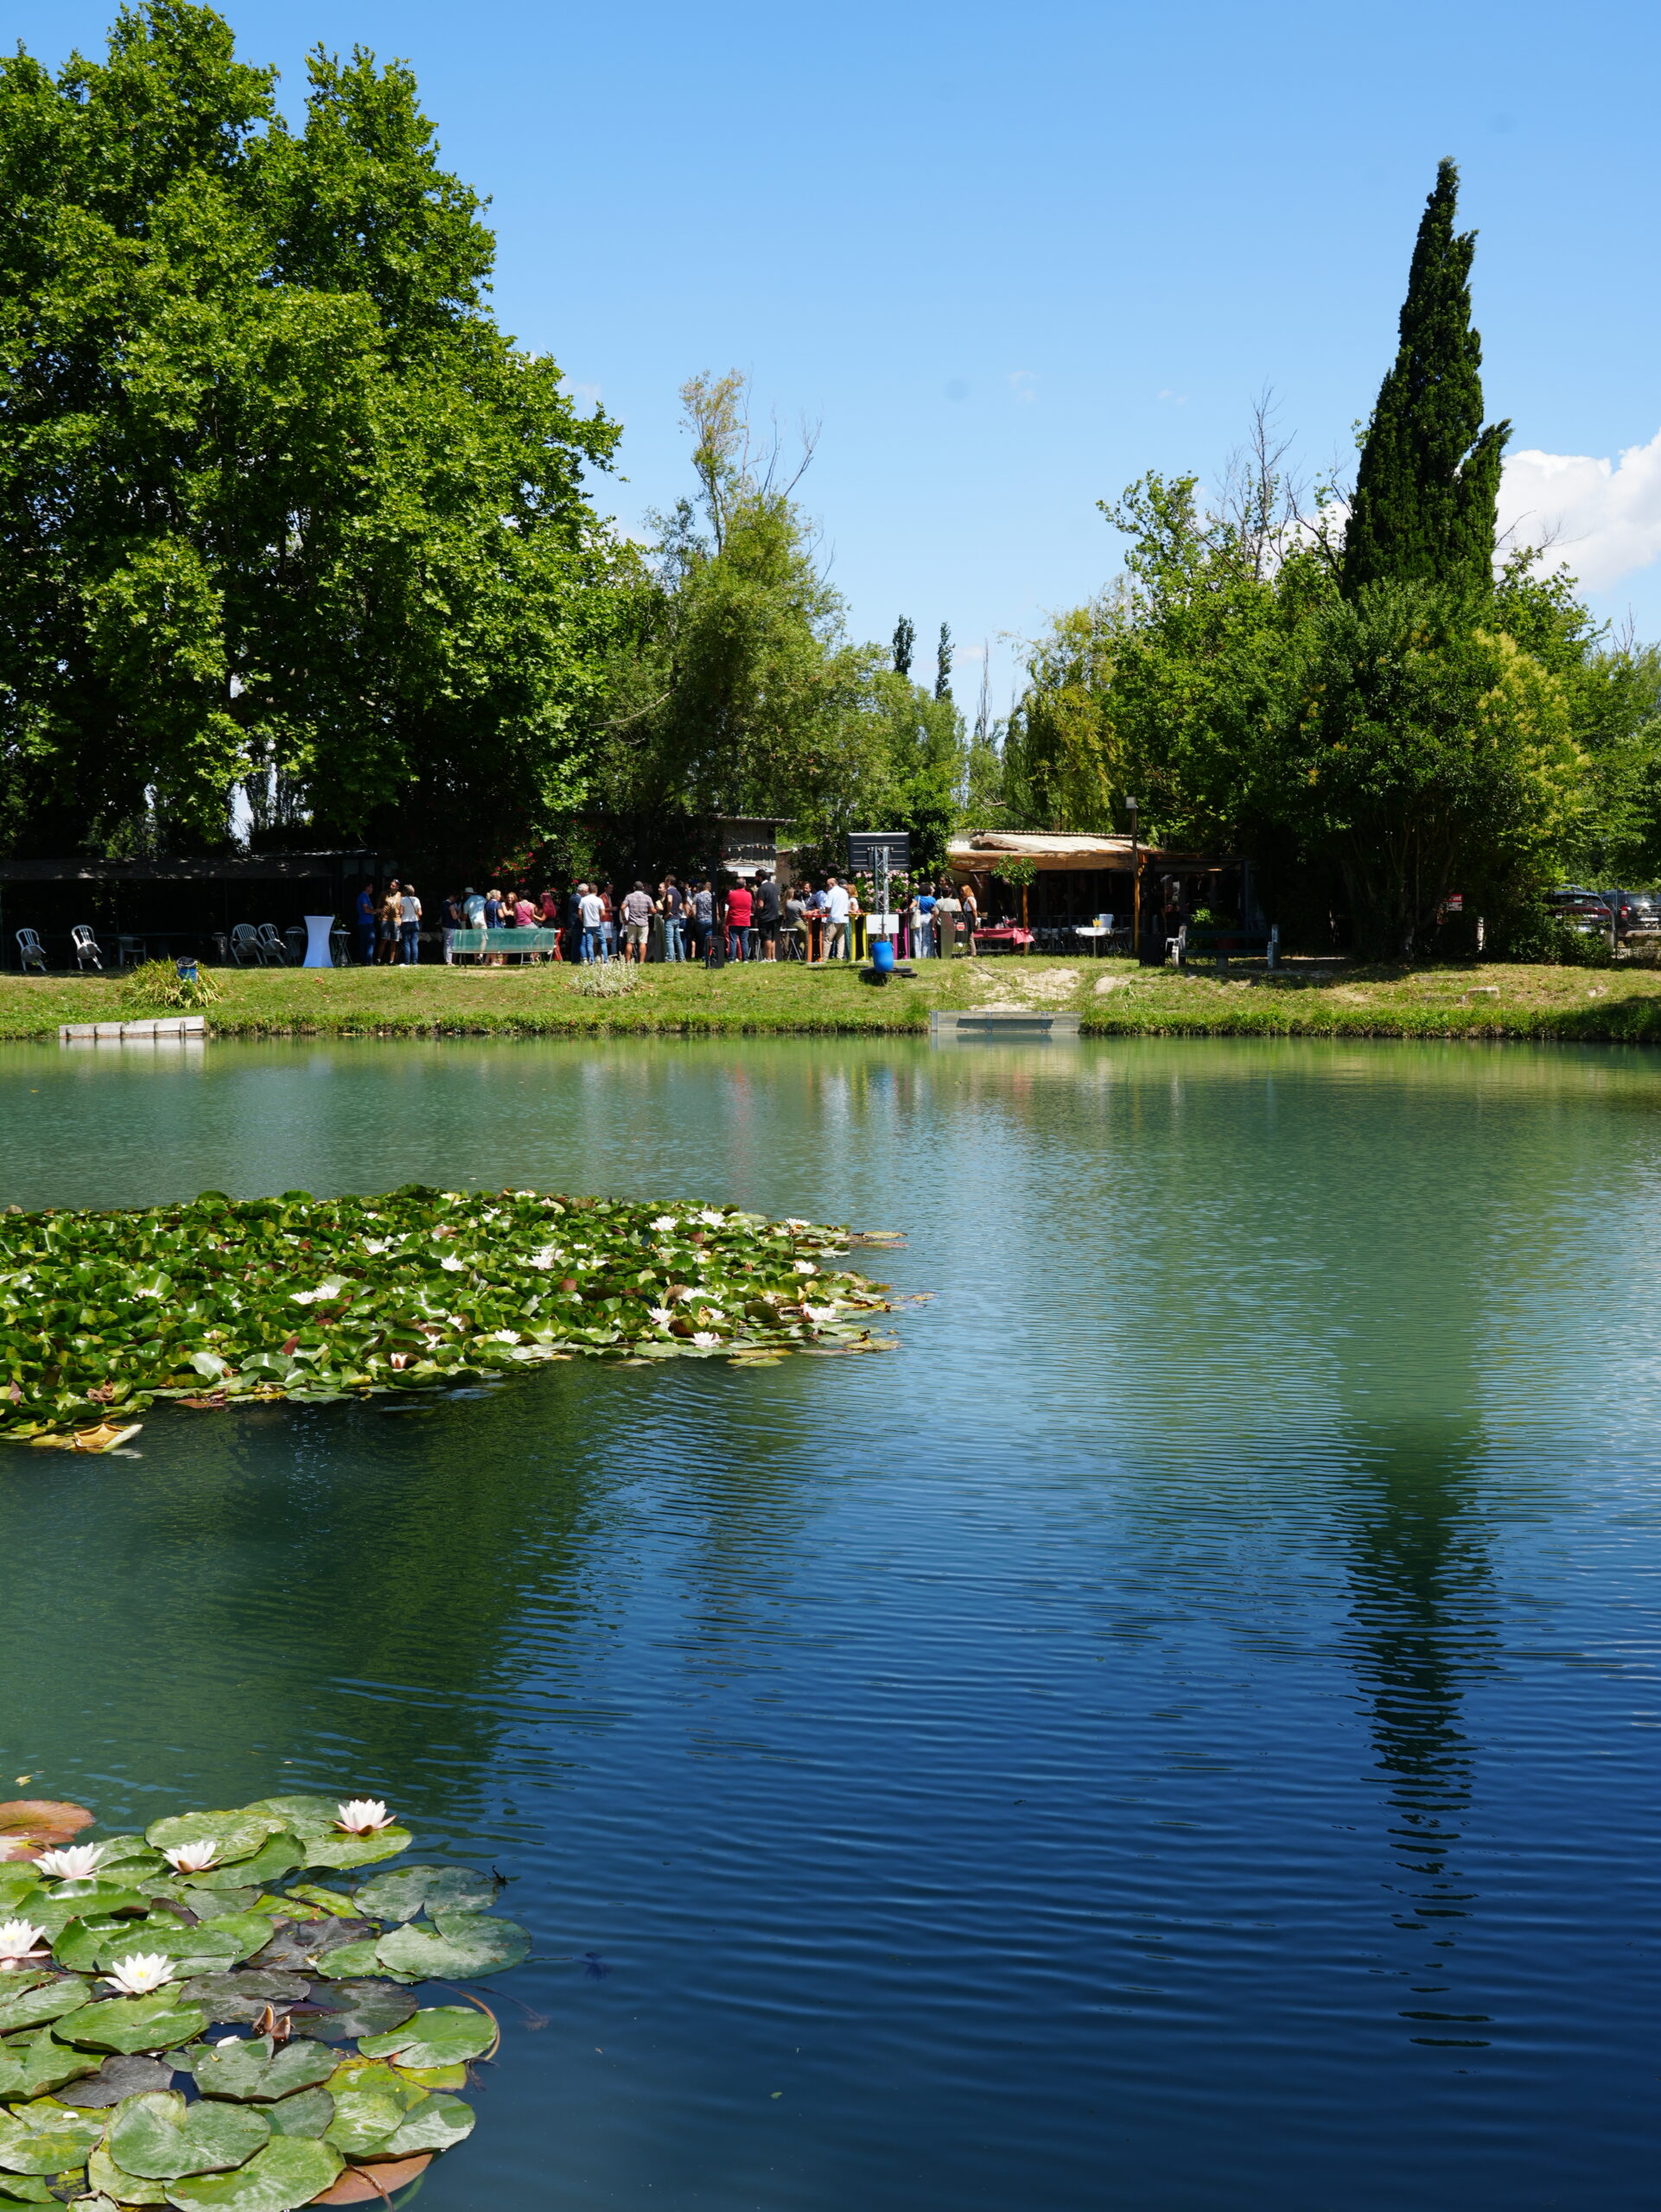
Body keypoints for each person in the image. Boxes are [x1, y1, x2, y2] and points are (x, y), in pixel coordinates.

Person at [621, 880, 654, 963]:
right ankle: (642, 962)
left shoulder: (629, 896)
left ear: (634, 888)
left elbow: (622, 907)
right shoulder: (647, 897)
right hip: (644, 923)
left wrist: (624, 919)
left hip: (632, 923)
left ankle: (628, 962)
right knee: (642, 943)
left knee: (630, 942)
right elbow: (653, 910)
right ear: (643, 888)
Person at [753, 869, 780, 961]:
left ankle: (767, 958)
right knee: (773, 937)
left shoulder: (762, 888)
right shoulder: (774, 887)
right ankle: (773, 957)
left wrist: (757, 916)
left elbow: (760, 905)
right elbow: (779, 899)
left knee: (766, 937)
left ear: (760, 877)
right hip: (775, 915)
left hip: (766, 916)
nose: (755, 879)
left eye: (756, 877)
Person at [725, 875, 753, 961]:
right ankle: (745, 959)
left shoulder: (731, 893)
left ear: (736, 885)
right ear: (745, 885)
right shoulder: (749, 894)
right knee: (744, 940)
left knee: (733, 940)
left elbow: (728, 902)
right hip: (745, 920)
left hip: (734, 919)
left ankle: (731, 959)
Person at [824, 874, 850, 961]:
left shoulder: (831, 892)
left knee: (828, 939)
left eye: (828, 885)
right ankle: (840, 957)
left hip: (834, 918)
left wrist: (825, 912)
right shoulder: (844, 892)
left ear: (831, 884)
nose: (828, 886)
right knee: (841, 939)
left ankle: (825, 957)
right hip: (844, 918)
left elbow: (828, 907)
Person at [578, 881, 605, 963]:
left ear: (589, 890)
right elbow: (603, 913)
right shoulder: (599, 900)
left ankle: (591, 960)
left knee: (589, 943)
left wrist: (583, 921)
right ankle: (605, 961)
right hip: (597, 923)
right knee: (603, 942)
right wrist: (599, 919)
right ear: (596, 891)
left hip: (587, 924)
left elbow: (579, 913)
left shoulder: (583, 899)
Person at [659, 876, 684, 962]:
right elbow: (681, 906)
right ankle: (681, 958)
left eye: (665, 881)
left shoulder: (670, 891)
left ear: (669, 882)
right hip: (677, 918)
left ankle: (670, 958)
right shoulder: (678, 892)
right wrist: (677, 912)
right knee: (678, 939)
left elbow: (669, 901)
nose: (665, 883)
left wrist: (668, 912)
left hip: (670, 918)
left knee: (669, 939)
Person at [398, 882, 423, 964]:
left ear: (405, 891)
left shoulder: (403, 899)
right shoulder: (417, 899)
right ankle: (415, 962)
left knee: (406, 942)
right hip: (414, 921)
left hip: (405, 921)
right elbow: (420, 913)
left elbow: (401, 912)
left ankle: (407, 962)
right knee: (414, 942)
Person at [378, 880, 401, 964]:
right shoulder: (384, 894)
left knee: (394, 941)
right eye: (391, 885)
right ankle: (378, 959)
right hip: (385, 919)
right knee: (384, 939)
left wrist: (400, 918)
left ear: (397, 887)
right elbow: (379, 905)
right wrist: (379, 915)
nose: (391, 887)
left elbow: (402, 907)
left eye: (393, 886)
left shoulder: (400, 895)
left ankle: (392, 961)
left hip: (396, 919)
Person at [691, 878, 715, 962]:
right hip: (710, 920)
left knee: (700, 939)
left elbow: (693, 908)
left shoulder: (697, 896)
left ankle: (699, 955)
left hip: (700, 920)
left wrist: (695, 917)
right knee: (708, 939)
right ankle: (706, 957)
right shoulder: (712, 896)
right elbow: (715, 909)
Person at [354, 880, 377, 965]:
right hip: (366, 923)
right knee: (371, 941)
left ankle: (363, 961)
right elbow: (366, 910)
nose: (372, 888)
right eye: (371, 887)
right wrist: (377, 910)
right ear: (367, 887)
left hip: (363, 923)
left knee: (364, 942)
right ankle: (368, 961)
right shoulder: (363, 896)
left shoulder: (365, 897)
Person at [783, 883, 806, 960]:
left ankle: (792, 953)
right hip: (799, 923)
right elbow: (804, 915)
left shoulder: (788, 903)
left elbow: (786, 913)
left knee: (794, 939)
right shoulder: (799, 904)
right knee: (806, 938)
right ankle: (802, 952)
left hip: (790, 924)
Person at [913, 881, 935, 958]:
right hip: (928, 917)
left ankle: (918, 955)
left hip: (919, 917)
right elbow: (934, 909)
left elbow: (911, 907)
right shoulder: (932, 899)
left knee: (917, 936)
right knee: (927, 937)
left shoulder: (917, 898)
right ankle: (927, 955)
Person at [440, 890, 462, 964]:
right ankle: (449, 961)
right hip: (451, 926)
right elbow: (455, 917)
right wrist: (459, 913)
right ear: (452, 896)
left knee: (446, 944)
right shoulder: (451, 905)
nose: (456, 899)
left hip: (445, 926)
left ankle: (446, 959)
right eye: (455, 898)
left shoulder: (443, 903)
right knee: (450, 944)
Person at [960, 881, 979, 956]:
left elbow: (974, 910)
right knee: (969, 936)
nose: (961, 892)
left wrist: (976, 920)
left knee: (970, 936)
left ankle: (973, 953)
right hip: (969, 916)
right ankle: (970, 952)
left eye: (963, 891)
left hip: (969, 916)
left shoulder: (970, 899)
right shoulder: (969, 898)